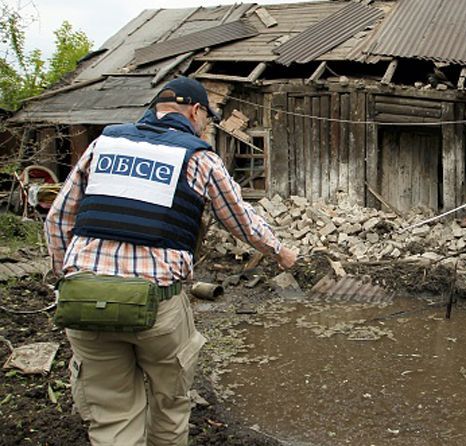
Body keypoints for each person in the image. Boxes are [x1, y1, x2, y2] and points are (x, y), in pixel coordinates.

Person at [44, 76, 297, 445]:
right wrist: (280, 250)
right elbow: (240, 219)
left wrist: (65, 277)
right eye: (207, 120)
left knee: (111, 416)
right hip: (157, 303)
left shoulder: (104, 144)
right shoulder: (198, 156)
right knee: (170, 405)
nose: (206, 127)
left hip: (85, 300)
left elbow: (58, 219)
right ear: (195, 111)